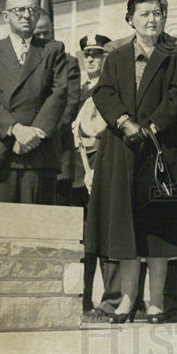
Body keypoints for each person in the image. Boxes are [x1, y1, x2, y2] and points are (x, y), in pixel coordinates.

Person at [84, 0, 177, 324]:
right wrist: (123, 122)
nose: (152, 19)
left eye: (158, 12)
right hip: (122, 150)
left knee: (159, 232)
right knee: (127, 230)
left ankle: (157, 302)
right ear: (130, 19)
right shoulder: (116, 56)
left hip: (162, 152)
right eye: (145, 13)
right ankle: (126, 301)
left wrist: (148, 129)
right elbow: (103, 92)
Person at [0, 0, 68, 204]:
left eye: (33, 10)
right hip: (1, 151)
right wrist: (16, 130)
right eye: (19, 10)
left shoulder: (53, 49)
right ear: (6, 16)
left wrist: (35, 133)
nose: (26, 15)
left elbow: (59, 92)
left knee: (38, 227)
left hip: (40, 152)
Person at [70, 33, 113, 318]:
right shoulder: (77, 90)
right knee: (83, 240)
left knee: (108, 236)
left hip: (106, 165)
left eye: (96, 54)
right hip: (79, 171)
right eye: (86, 54)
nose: (90, 59)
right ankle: (82, 301)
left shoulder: (113, 89)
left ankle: (112, 301)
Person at [33, 12, 81, 206]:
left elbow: (68, 106)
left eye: (47, 33)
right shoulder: (20, 63)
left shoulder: (69, 62)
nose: (43, 38)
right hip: (25, 153)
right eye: (38, 34)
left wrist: (39, 132)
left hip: (57, 151)